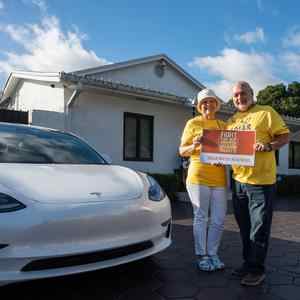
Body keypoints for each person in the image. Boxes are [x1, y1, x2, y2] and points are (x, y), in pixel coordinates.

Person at [227, 81, 290, 286]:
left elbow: (285, 136)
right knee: (244, 227)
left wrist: (268, 146)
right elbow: (228, 149)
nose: (239, 98)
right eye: (235, 95)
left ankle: (257, 269)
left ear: (252, 94)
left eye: (243, 93)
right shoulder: (233, 120)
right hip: (238, 182)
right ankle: (248, 263)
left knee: (259, 228)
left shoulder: (266, 112)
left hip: (261, 182)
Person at [179, 88, 227, 272]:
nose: (208, 105)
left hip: (220, 177)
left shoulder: (223, 125)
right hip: (198, 175)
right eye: (204, 102)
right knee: (201, 217)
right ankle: (202, 255)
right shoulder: (193, 123)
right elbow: (182, 151)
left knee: (218, 219)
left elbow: (231, 149)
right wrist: (195, 144)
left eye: (211, 101)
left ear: (216, 104)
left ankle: (213, 253)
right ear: (200, 106)